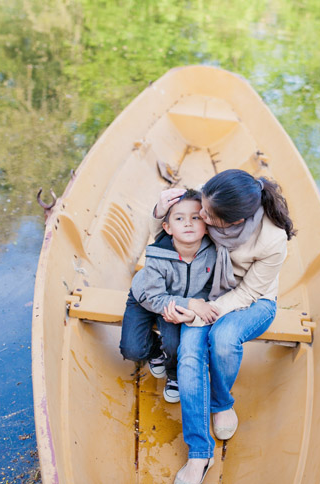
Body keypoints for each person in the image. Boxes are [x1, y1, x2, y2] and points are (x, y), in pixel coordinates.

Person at [155, 169, 296, 484]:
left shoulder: (272, 239)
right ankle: (199, 454)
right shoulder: (212, 195)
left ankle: (221, 401)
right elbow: (169, 217)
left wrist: (198, 313)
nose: (200, 215)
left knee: (223, 337)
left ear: (232, 222)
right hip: (204, 290)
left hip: (254, 299)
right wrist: (158, 208)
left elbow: (248, 293)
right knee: (190, 353)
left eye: (207, 215)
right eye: (201, 207)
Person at [119, 190, 219, 403]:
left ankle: (173, 375)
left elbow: (209, 287)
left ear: (206, 223)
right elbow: (155, 299)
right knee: (132, 350)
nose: (188, 224)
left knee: (175, 345)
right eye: (179, 219)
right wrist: (191, 303)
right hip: (146, 300)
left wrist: (194, 304)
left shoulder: (213, 252)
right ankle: (154, 350)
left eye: (196, 218)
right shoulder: (157, 254)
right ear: (167, 228)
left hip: (178, 308)